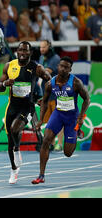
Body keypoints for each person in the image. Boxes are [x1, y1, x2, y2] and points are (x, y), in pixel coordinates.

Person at [0, 41, 51, 184]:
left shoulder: (36, 67)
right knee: (10, 141)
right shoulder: (9, 66)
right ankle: (14, 170)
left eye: (26, 51)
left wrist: (43, 98)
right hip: (12, 106)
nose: (23, 52)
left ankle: (17, 148)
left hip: (27, 106)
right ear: (17, 51)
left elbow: (49, 81)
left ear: (30, 53)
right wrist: (5, 84)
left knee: (16, 129)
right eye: (20, 50)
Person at [32, 56, 90, 184]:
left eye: (66, 67)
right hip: (58, 115)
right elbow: (45, 102)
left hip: (72, 118)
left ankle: (76, 131)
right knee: (46, 140)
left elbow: (87, 99)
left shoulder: (76, 83)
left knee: (67, 153)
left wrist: (81, 116)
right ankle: (41, 175)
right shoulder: (50, 83)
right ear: (58, 66)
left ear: (70, 69)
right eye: (61, 66)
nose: (63, 69)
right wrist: (41, 120)